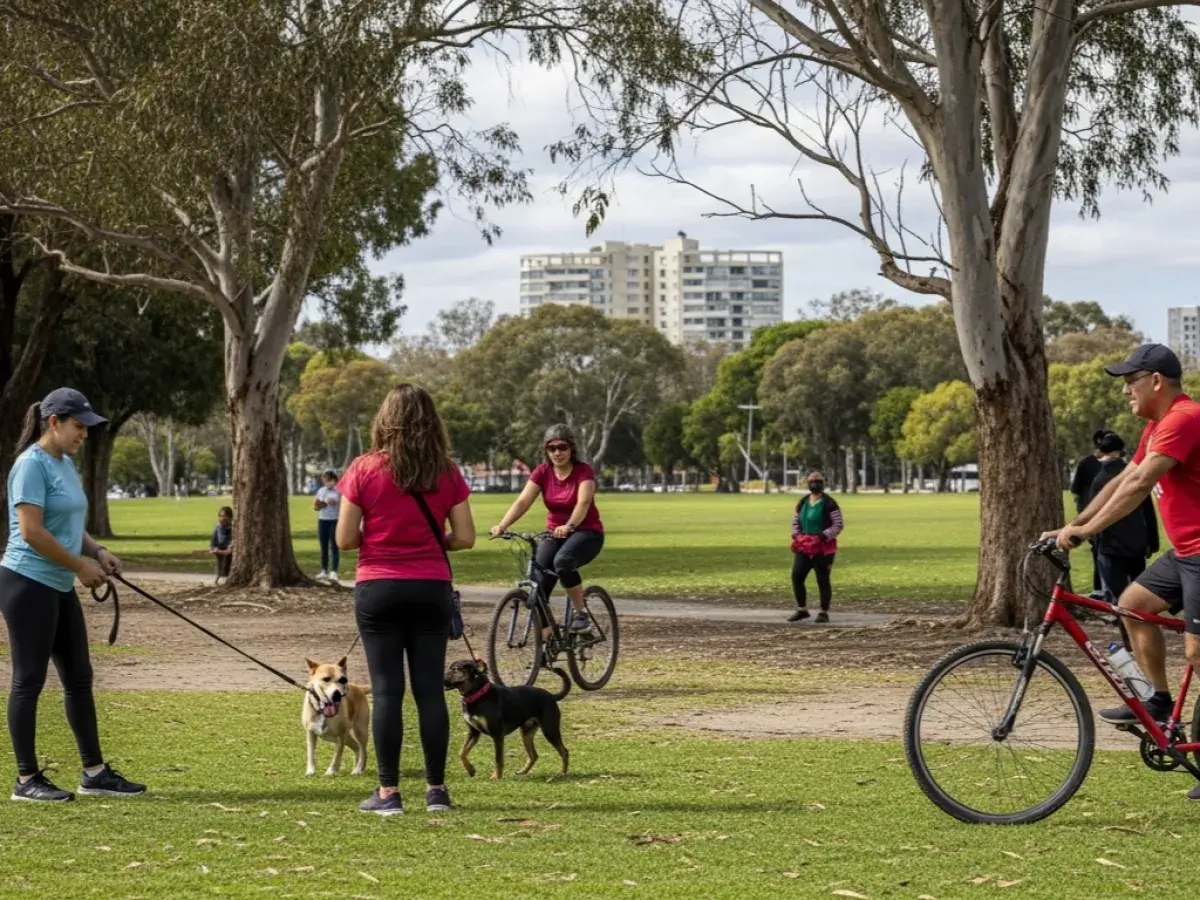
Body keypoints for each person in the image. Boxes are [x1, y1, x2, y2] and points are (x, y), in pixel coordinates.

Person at [1045, 344, 1200, 800]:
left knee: (1196, 653)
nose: (1126, 391)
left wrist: (1087, 531)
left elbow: (1138, 485)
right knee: (1132, 605)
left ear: (1156, 381)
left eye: (1131, 381)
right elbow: (1116, 480)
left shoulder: (1184, 418)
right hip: (1186, 552)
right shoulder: (1157, 426)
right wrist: (1073, 525)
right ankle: (1159, 699)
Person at [336, 383, 475, 816]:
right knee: (430, 692)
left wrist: (382, 537)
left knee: (388, 692)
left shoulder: (363, 469)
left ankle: (388, 794)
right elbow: (466, 538)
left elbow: (343, 540)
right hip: (430, 586)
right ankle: (436, 791)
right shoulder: (447, 471)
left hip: (379, 586)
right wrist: (431, 542)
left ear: (385, 419)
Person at [1, 388, 146, 802]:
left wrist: (97, 551)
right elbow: (31, 532)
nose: (85, 434)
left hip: (59, 583)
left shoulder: (64, 464)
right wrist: (79, 566)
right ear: (54, 422)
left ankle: (94, 773)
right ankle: (26, 780)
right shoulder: (30, 465)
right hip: (27, 583)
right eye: (79, 426)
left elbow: (66, 524)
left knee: (79, 678)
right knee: (28, 680)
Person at [491, 424, 604, 631]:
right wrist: (502, 525)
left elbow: (583, 503)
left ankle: (581, 614)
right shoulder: (543, 472)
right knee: (538, 582)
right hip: (555, 533)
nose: (557, 453)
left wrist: (569, 526)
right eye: (552, 449)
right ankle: (545, 640)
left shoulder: (583, 471)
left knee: (563, 561)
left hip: (586, 532)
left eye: (562, 447)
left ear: (571, 449)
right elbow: (523, 502)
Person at [1086, 431, 1159, 603]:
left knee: (1117, 600)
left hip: (1110, 547)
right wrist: (1152, 542)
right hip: (1136, 544)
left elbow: (1092, 514)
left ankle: (1125, 629)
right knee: (1139, 599)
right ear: (1122, 450)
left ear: (1099, 452)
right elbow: (1148, 512)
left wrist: (1095, 543)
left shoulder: (1099, 480)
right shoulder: (1135, 476)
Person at [788, 472, 844, 623]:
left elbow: (838, 525)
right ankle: (802, 609)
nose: (815, 484)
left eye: (818, 481)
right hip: (804, 546)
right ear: (808, 483)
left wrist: (822, 536)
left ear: (823, 484)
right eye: (812, 481)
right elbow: (795, 521)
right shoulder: (803, 502)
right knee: (797, 576)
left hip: (823, 548)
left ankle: (823, 612)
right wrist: (797, 535)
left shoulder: (830, 503)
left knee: (823, 579)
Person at [1071, 431, 1110, 593]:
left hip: (1092, 513)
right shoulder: (1114, 465)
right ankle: (1103, 588)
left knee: (1099, 551)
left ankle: (1100, 588)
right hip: (1107, 513)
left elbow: (1075, 489)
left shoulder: (1086, 463)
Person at [313, 469, 341, 583]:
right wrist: (318, 505)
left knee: (334, 546)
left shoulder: (339, 491)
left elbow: (341, 503)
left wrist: (334, 502)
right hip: (322, 520)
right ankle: (324, 570)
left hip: (334, 520)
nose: (326, 482)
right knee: (323, 546)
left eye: (328, 480)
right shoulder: (321, 490)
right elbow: (316, 506)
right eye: (324, 480)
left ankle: (334, 572)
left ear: (333, 480)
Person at [209, 505, 234, 584]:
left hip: (230, 551)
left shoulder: (233, 528)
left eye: (225, 516)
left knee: (227, 557)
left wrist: (223, 551)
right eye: (221, 516)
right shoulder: (217, 528)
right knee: (220, 556)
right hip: (220, 550)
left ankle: (225, 575)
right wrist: (213, 549)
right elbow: (213, 542)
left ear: (230, 517)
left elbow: (231, 547)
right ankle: (220, 575)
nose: (222, 518)